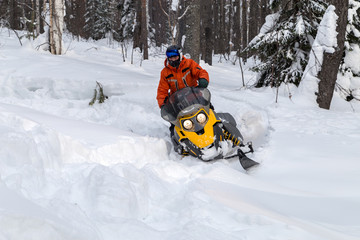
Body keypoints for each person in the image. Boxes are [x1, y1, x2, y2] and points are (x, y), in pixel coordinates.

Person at [156, 45, 210, 145]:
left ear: (180, 55)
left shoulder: (189, 64)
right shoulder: (165, 72)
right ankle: (179, 144)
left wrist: (203, 79)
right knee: (175, 125)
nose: (173, 59)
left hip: (195, 97)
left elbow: (201, 71)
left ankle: (220, 130)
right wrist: (163, 104)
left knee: (209, 112)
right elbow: (162, 90)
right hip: (177, 103)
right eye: (170, 57)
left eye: (175, 56)